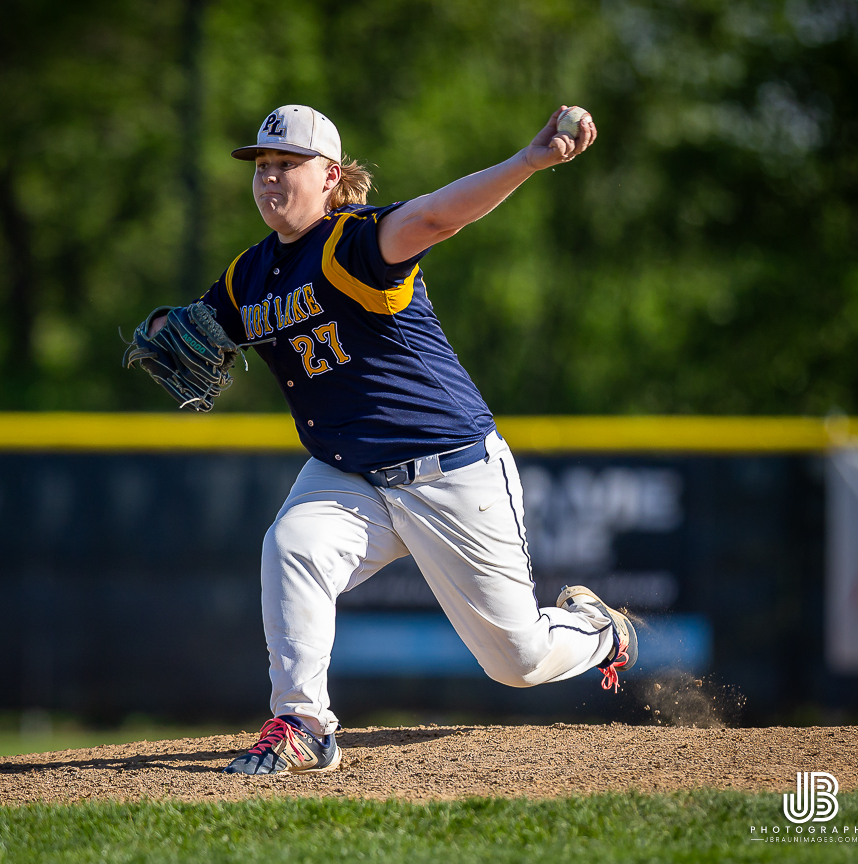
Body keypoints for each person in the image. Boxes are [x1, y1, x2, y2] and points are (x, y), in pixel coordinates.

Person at [164, 103, 636, 775]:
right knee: (292, 544)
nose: (270, 178)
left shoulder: (355, 243)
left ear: (329, 176)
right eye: (261, 166)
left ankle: (599, 629)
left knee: (518, 662)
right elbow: (204, 327)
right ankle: (303, 721)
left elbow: (437, 216)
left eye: (287, 165)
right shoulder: (249, 274)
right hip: (349, 471)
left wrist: (530, 161)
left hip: (447, 470)